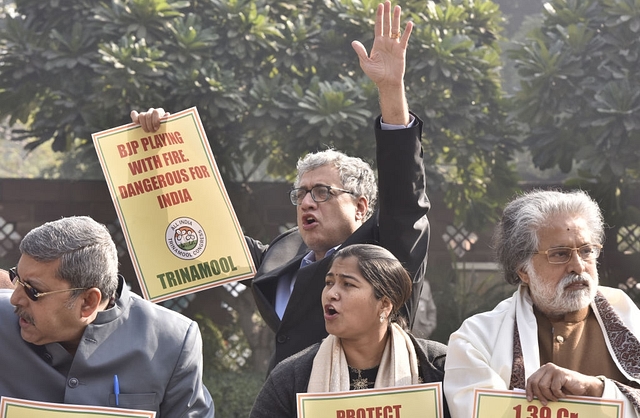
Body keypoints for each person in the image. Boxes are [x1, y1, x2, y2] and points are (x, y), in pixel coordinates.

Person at [132, 0, 430, 372]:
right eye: (301, 193)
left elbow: (405, 195)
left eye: (322, 192)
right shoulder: (280, 255)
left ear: (360, 206)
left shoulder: (389, 250)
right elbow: (198, 229)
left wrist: (391, 90)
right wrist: (159, 147)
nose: (307, 202)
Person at [444, 189, 640, 418]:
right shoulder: (477, 340)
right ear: (523, 269)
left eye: (586, 250)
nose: (578, 266)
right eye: (559, 254)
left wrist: (595, 389)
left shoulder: (630, 319)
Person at [0, 216, 214, 417]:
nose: (15, 298)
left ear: (88, 302)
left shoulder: (172, 342)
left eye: (33, 290)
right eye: (16, 278)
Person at [249, 244, 450, 418]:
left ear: (385, 305)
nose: (331, 294)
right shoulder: (291, 377)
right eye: (329, 283)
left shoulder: (438, 367)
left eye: (348, 284)